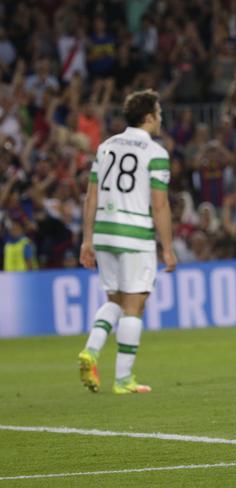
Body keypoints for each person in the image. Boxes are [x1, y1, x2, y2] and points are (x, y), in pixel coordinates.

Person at [77, 89, 176, 395]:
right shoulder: (156, 153)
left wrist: (87, 240)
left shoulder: (106, 147)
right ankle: (123, 379)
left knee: (115, 301)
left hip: (104, 232)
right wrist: (168, 248)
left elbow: (91, 196)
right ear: (148, 117)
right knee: (134, 305)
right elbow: (159, 205)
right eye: (158, 113)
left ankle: (91, 350)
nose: (160, 119)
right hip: (135, 234)